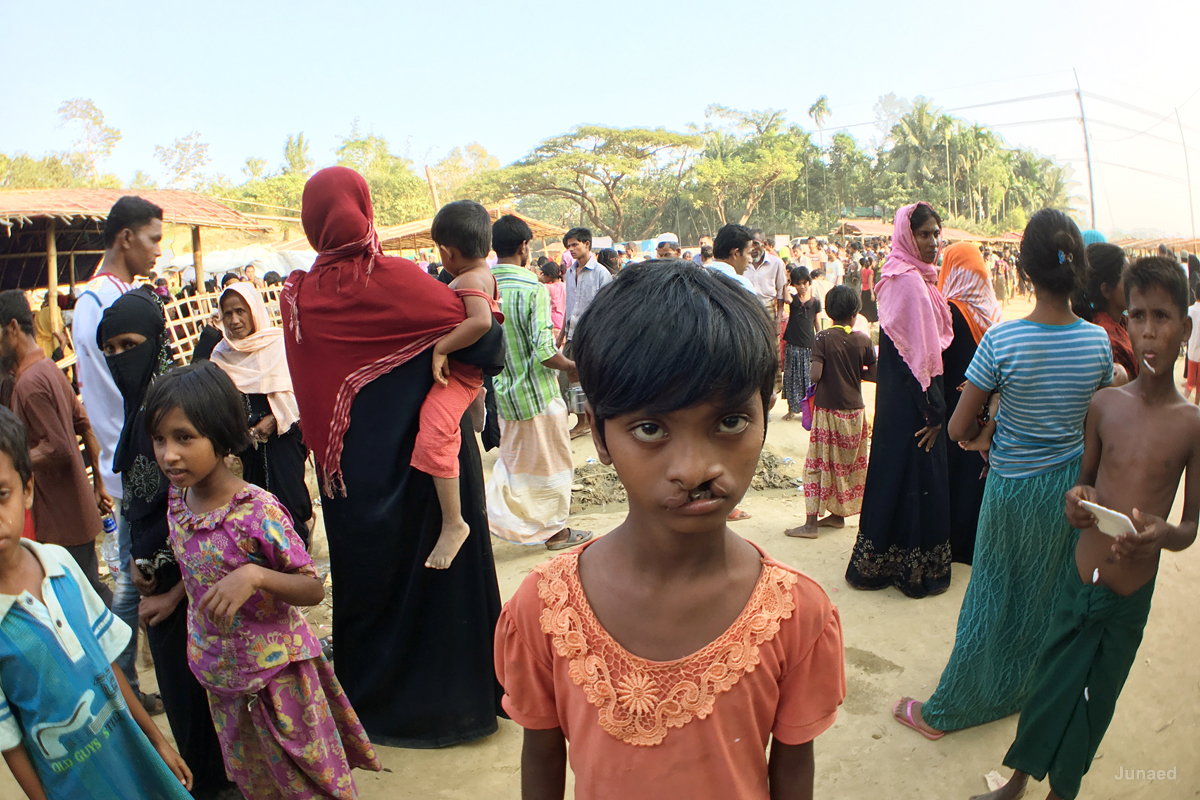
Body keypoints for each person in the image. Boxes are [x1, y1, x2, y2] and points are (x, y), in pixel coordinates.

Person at [495, 261, 845, 799]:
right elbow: (541, 757)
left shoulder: (797, 615)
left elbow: (793, 772)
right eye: (651, 429)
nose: (694, 469)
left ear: (765, 409)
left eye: (729, 422)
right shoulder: (542, 610)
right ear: (603, 440)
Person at [282, 167, 506, 748]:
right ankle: (456, 708)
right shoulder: (405, 283)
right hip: (425, 472)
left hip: (352, 479)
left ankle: (375, 707)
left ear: (314, 224)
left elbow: (313, 392)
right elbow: (485, 339)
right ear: (366, 212)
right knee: (440, 583)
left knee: (369, 583)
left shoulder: (299, 299)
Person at [975, 256, 1200, 800]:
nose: (1149, 332)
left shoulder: (1192, 426)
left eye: (1163, 318)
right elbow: (1083, 486)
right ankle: (1018, 781)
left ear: (1185, 329)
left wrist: (1161, 535)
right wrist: (1077, 503)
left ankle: (1061, 792)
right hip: (1081, 577)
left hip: (1130, 594)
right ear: (1125, 320)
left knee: (1098, 697)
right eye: (1138, 316)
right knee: (1051, 685)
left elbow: (1190, 526)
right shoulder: (1104, 406)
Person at [895, 209, 1113, 740]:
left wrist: (988, 428)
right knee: (1044, 592)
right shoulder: (1097, 343)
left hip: (1012, 488)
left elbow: (957, 428)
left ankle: (944, 712)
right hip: (1066, 488)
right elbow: (1097, 411)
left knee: (991, 592)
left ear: (1023, 268)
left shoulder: (1003, 341)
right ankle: (1021, 688)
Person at [144, 362, 381, 797]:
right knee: (257, 782)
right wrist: (174, 597)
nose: (168, 454)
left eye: (184, 438)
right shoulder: (180, 501)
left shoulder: (257, 511)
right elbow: (199, 563)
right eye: (159, 440)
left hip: (278, 679)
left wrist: (254, 576)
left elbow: (311, 587)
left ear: (220, 435)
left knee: (309, 779)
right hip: (222, 681)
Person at [0, 407, 194, 800]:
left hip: (135, 760)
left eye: (0, 495)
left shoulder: (60, 564)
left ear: (27, 490)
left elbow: (105, 662)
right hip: (73, 787)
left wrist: (156, 741)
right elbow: (10, 741)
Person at [97, 286, 235, 799]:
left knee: (213, 711)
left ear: (155, 340)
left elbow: (212, 517)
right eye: (109, 349)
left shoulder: (181, 409)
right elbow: (143, 507)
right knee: (183, 705)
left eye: (128, 344)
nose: (118, 358)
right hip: (161, 599)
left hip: (200, 597)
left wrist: (172, 591)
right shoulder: (142, 416)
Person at [72, 195, 162, 711]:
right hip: (135, 462)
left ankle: (125, 675)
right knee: (134, 574)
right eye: (152, 239)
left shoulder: (113, 297)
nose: (157, 251)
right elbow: (117, 396)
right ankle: (122, 680)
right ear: (125, 237)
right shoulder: (100, 307)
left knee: (140, 568)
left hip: (137, 456)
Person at [845, 202, 954, 598]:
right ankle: (913, 569)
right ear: (908, 236)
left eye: (935, 234)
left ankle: (884, 563)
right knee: (917, 477)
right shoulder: (907, 281)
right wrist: (934, 409)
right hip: (915, 400)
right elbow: (920, 357)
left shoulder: (908, 277)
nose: (932, 242)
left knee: (896, 474)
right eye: (924, 234)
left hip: (899, 399)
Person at [485, 215, 592, 552]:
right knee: (553, 466)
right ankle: (555, 532)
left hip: (503, 394)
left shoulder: (485, 285)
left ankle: (507, 519)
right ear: (524, 247)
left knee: (515, 464)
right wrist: (573, 368)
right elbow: (546, 352)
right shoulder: (533, 289)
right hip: (538, 395)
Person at [0, 292, 113, 604]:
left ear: (11, 329)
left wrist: (13, 463)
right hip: (77, 510)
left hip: (60, 521)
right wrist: (98, 484)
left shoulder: (29, 384)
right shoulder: (48, 368)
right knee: (88, 590)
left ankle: (125, 639)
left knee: (85, 598)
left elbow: (59, 448)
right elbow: (84, 424)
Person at [412, 201, 505, 569]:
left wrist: (441, 347)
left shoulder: (467, 280)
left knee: (434, 432)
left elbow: (480, 322)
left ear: (448, 252)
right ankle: (475, 399)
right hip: (471, 374)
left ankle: (454, 522)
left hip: (461, 374)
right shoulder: (484, 274)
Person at [197, 283, 314, 548]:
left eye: (241, 311)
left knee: (289, 506)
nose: (235, 320)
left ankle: (298, 570)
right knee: (253, 512)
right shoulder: (220, 355)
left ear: (254, 312)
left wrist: (274, 419)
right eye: (227, 314)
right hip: (244, 448)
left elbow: (302, 393)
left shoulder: (279, 345)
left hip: (283, 441)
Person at [787, 286, 877, 539]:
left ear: (827, 311)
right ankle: (837, 516)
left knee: (818, 465)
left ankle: (810, 524)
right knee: (847, 466)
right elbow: (875, 373)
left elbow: (815, 374)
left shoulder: (823, 338)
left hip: (828, 413)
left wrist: (826, 369)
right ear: (855, 314)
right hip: (856, 413)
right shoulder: (863, 339)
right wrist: (853, 371)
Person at [937, 242, 1003, 565]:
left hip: (953, 404)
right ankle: (974, 544)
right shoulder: (993, 309)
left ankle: (951, 542)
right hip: (986, 408)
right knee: (976, 471)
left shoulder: (947, 310)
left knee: (953, 467)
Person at [561, 227, 613, 438]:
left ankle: (589, 422)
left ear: (587, 244)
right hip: (572, 333)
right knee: (569, 378)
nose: (571, 249)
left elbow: (607, 308)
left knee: (588, 379)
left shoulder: (601, 273)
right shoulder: (570, 271)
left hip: (592, 335)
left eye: (575, 244)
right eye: (569, 246)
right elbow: (569, 304)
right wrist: (561, 333)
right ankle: (582, 420)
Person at [1072, 242, 1135, 385]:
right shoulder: (1107, 341)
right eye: (1127, 279)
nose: (1134, 285)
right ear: (1106, 290)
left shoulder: (1124, 323)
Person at [781, 266, 820, 421]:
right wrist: (785, 283)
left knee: (807, 379)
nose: (802, 286)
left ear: (809, 283)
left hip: (808, 346)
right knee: (791, 378)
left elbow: (817, 323)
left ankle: (808, 411)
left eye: (804, 283)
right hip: (793, 344)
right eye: (798, 283)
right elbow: (785, 298)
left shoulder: (815, 302)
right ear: (794, 285)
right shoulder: (793, 300)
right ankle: (791, 410)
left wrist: (820, 340)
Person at [745, 228, 787, 321]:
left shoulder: (776, 263)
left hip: (768, 313)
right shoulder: (743, 263)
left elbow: (781, 292)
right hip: (748, 312)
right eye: (750, 244)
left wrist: (778, 320)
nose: (752, 248)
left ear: (764, 244)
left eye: (755, 244)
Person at [709, 223, 757, 294]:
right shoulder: (742, 285)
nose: (750, 260)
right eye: (749, 253)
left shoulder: (697, 279)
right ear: (735, 253)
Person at [539, 261, 566, 340]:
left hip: (553, 324)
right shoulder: (565, 286)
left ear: (548, 275)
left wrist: (538, 278)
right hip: (563, 324)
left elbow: (537, 286)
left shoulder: (549, 288)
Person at [1186, 287, 1200, 403]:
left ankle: (1184, 402)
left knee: (1189, 383)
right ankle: (1196, 406)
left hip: (1191, 351)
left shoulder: (1189, 310)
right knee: (1199, 385)